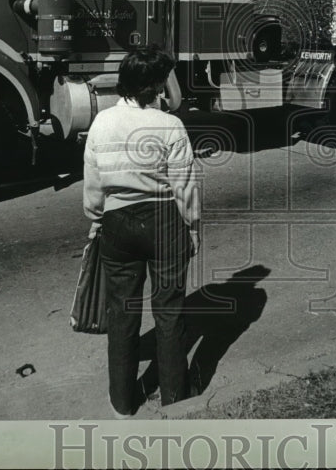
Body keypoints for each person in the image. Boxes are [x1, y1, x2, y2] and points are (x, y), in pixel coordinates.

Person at [82, 46, 200, 417]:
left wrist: (97, 219)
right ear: (157, 86)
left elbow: (94, 183)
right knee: (169, 312)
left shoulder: (101, 123)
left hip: (117, 224)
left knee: (122, 313)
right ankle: (175, 400)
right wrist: (193, 227)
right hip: (165, 222)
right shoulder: (170, 126)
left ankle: (122, 402)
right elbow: (185, 186)